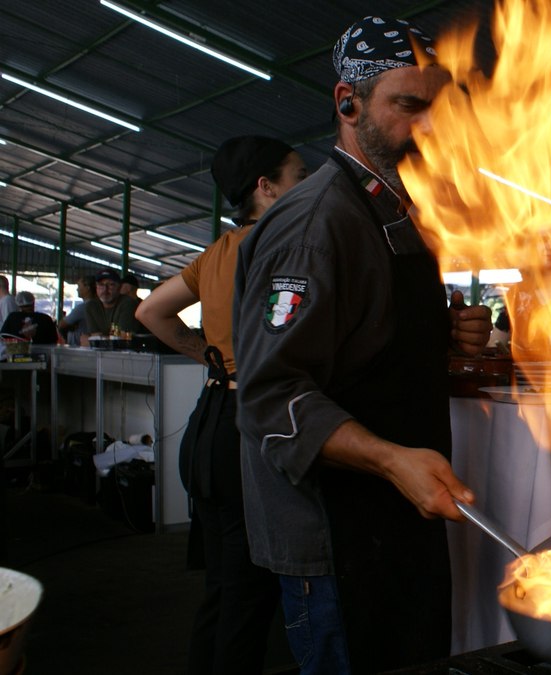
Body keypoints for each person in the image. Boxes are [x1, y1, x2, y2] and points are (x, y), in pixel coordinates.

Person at [233, 17, 491, 674]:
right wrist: (389, 460)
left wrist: (446, 337)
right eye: (408, 106)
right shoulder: (317, 222)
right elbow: (270, 394)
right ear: (347, 102)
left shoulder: (393, 209)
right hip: (335, 537)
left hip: (393, 522)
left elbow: (367, 346)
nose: (429, 127)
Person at [136, 135, 307, 675]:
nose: (305, 186)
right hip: (247, 436)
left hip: (209, 429)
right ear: (266, 187)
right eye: (298, 176)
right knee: (248, 598)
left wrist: (208, 357)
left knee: (224, 588)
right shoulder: (281, 249)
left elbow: (150, 313)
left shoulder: (216, 254)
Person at [84, 268, 144, 340]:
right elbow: (95, 336)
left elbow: (123, 338)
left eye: (111, 285)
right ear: (96, 287)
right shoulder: (91, 306)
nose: (105, 289)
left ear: (119, 287)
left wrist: (97, 340)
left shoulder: (128, 303)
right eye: (101, 285)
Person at [59, 275, 95, 345]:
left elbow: (61, 325)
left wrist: (70, 326)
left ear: (87, 288)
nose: (77, 289)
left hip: (79, 347)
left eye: (79, 286)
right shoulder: (97, 305)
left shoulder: (83, 307)